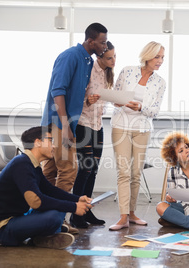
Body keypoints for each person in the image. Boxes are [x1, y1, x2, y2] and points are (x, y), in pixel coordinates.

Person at [0, 126, 93, 250]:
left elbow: (50, 191)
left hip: (17, 218)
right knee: (54, 216)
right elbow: (36, 202)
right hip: (2, 230)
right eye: (50, 140)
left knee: (59, 208)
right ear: (38, 142)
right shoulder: (22, 164)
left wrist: (77, 199)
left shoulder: (32, 164)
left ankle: (47, 233)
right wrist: (74, 207)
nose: (54, 146)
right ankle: (49, 232)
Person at [40, 22, 108, 192]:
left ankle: (45, 214)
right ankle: (58, 215)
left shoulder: (88, 61)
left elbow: (76, 96)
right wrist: (64, 126)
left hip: (66, 122)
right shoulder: (70, 56)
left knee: (50, 170)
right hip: (58, 122)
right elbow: (58, 91)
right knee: (68, 170)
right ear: (91, 41)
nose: (105, 46)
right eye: (103, 42)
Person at [109, 41, 166, 231]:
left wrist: (141, 107)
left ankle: (132, 213)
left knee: (135, 173)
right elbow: (115, 98)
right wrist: (120, 102)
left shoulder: (160, 82)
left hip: (143, 128)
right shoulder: (127, 71)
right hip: (121, 126)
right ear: (147, 56)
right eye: (157, 57)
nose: (160, 61)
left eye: (162, 58)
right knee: (123, 172)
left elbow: (155, 111)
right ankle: (123, 217)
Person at [70, 41, 116, 228]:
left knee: (93, 169)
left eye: (114, 56)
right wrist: (86, 100)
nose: (113, 60)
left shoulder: (107, 73)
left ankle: (87, 211)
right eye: (109, 57)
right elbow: (74, 96)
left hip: (97, 125)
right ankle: (76, 213)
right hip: (83, 123)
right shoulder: (89, 69)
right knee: (85, 169)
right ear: (99, 57)